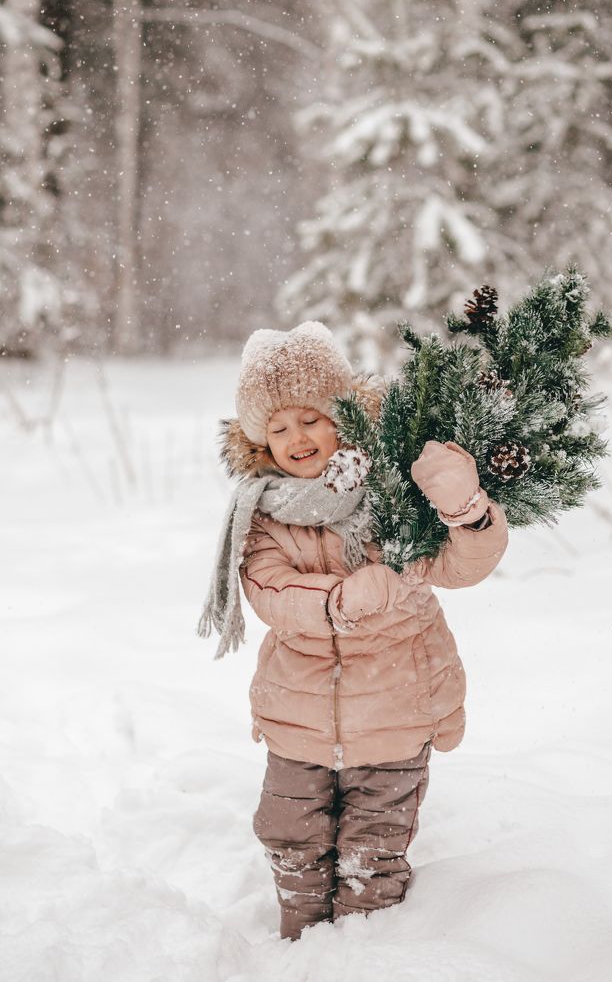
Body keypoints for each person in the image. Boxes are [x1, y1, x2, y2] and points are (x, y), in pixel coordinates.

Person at [197, 321, 509, 941]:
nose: (297, 438)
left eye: (310, 418)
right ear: (260, 441)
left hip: (396, 710)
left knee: (374, 846)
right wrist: (340, 599)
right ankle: (299, 942)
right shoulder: (261, 514)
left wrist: (467, 513)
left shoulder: (389, 495)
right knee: (292, 836)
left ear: (343, 415)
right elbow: (267, 589)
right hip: (298, 719)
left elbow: (457, 565)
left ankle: (366, 953)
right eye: (278, 428)